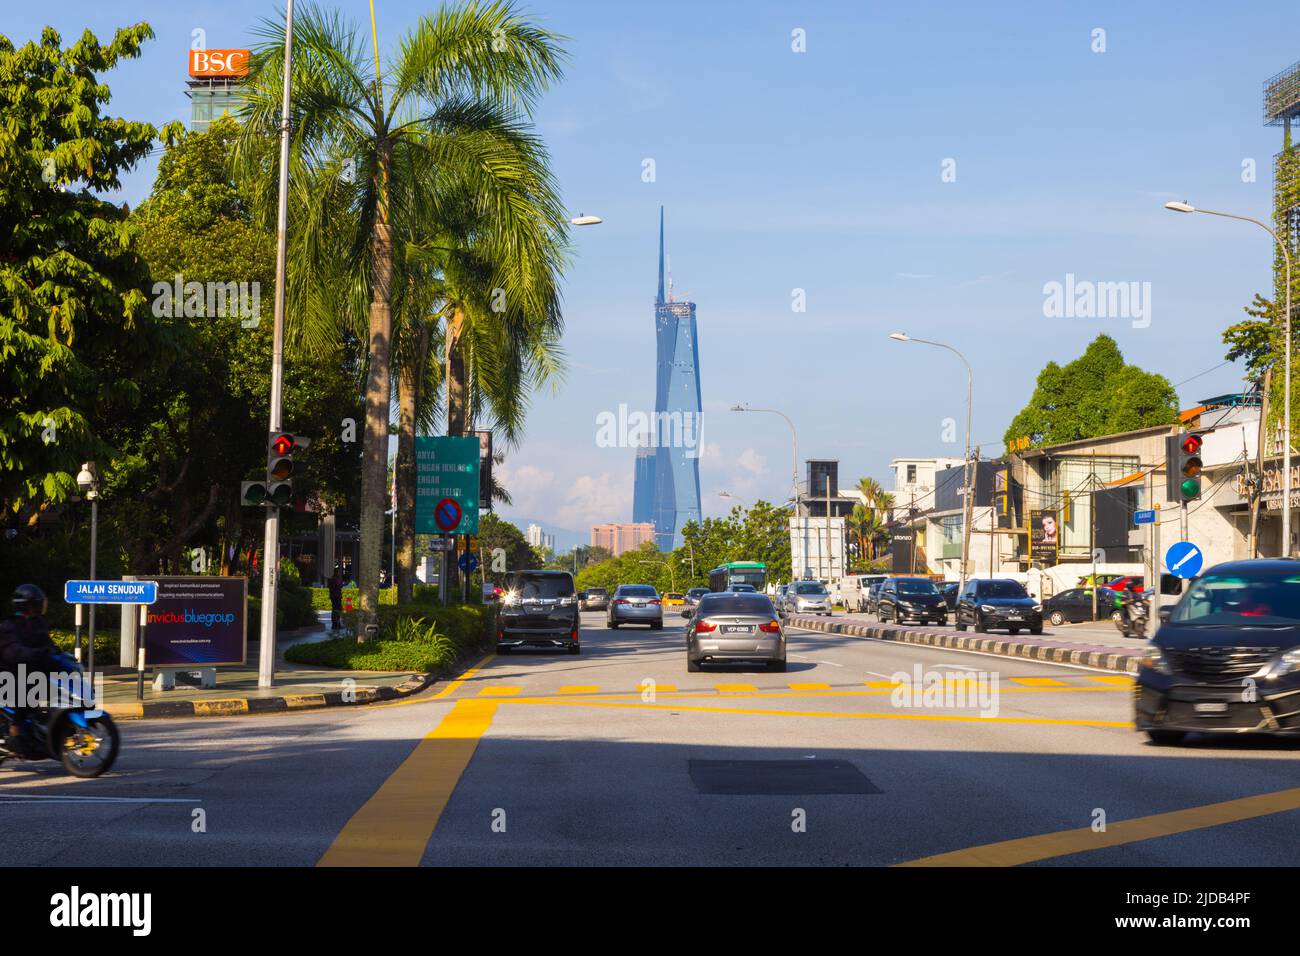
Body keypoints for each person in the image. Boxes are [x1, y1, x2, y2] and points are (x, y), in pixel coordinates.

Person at [0, 584, 59, 746]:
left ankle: (45, 722)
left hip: (30, 669)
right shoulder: (9, 626)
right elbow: (13, 652)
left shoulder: (39, 623)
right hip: (8, 672)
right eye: (38, 603)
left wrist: (62, 656)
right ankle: (15, 726)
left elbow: (49, 645)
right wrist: (35, 654)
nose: (41, 606)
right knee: (26, 685)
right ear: (28, 605)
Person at [327, 564, 344, 632]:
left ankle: (335, 624)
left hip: (333, 596)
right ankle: (337, 624)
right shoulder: (336, 579)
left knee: (334, 609)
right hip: (337, 596)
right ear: (337, 573)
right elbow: (340, 586)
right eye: (339, 572)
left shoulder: (331, 579)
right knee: (337, 610)